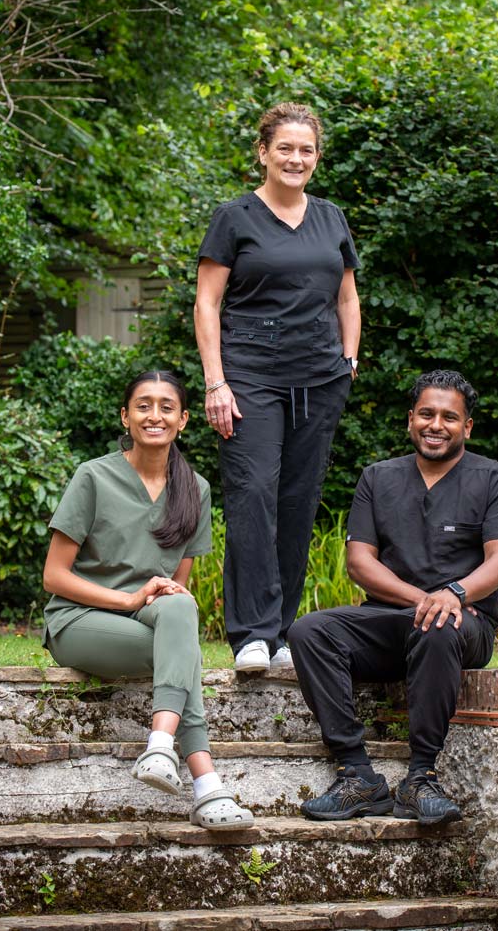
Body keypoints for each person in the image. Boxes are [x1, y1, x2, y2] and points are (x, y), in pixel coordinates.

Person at [288, 370, 498, 825]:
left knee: (439, 624)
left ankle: (420, 777)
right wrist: (426, 598)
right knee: (308, 631)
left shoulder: (495, 479)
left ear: (467, 427)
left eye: (449, 417)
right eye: (426, 414)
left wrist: (453, 595)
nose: (436, 425)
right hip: (389, 619)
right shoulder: (378, 477)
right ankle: (358, 776)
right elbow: (360, 562)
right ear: (410, 420)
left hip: (464, 625)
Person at [41, 371, 254, 832]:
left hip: (148, 621)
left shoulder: (194, 489)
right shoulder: (93, 476)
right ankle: (206, 783)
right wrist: (127, 600)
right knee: (186, 652)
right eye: (143, 405)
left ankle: (162, 747)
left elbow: (175, 587)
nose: (153, 415)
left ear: (183, 420)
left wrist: (148, 601)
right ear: (125, 416)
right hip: (79, 621)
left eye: (165, 407)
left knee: (181, 607)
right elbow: (54, 577)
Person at [195, 101, 362, 674]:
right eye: (284, 148)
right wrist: (216, 382)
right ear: (263, 153)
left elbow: (346, 296)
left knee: (297, 500)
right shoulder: (234, 217)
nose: (296, 158)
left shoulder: (332, 217)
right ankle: (250, 634)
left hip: (319, 378)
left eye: (306, 150)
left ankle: (284, 632)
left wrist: (350, 358)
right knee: (253, 496)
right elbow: (207, 302)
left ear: (317, 157)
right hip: (249, 378)